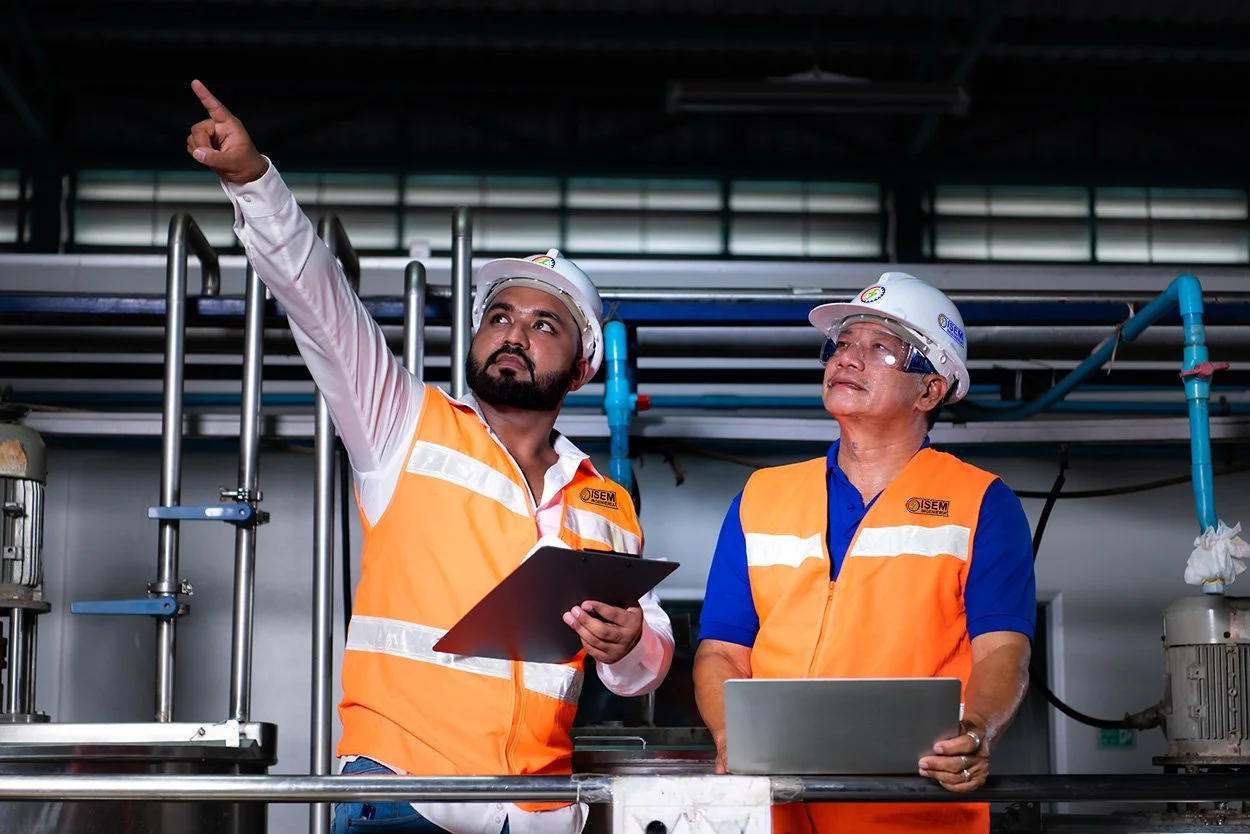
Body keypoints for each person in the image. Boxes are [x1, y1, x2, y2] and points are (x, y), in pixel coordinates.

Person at [185, 79, 674, 834]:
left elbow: (644, 662)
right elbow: (320, 303)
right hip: (406, 797)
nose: (514, 333)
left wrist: (630, 640)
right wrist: (255, 184)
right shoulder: (402, 423)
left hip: (542, 813)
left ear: (582, 370)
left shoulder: (603, 499)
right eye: (499, 316)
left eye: (544, 325)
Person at [692, 272, 1036, 834]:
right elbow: (722, 653)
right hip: (774, 812)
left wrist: (976, 732)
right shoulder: (761, 497)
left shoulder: (981, 503)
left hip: (914, 814)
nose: (847, 358)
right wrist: (733, 739)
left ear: (930, 391)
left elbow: (1002, 651)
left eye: (881, 348)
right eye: (843, 343)